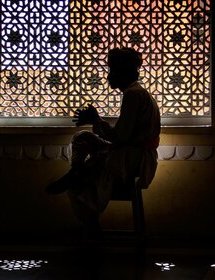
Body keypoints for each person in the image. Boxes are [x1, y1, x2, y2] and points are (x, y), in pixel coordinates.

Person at [45, 47, 161, 236]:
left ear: (123, 72)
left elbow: (122, 138)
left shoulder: (133, 95)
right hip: (128, 153)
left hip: (134, 158)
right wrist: (95, 123)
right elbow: (122, 135)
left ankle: (84, 202)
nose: (108, 77)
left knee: (79, 185)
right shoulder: (135, 93)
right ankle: (76, 171)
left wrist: (96, 120)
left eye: (112, 72)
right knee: (82, 137)